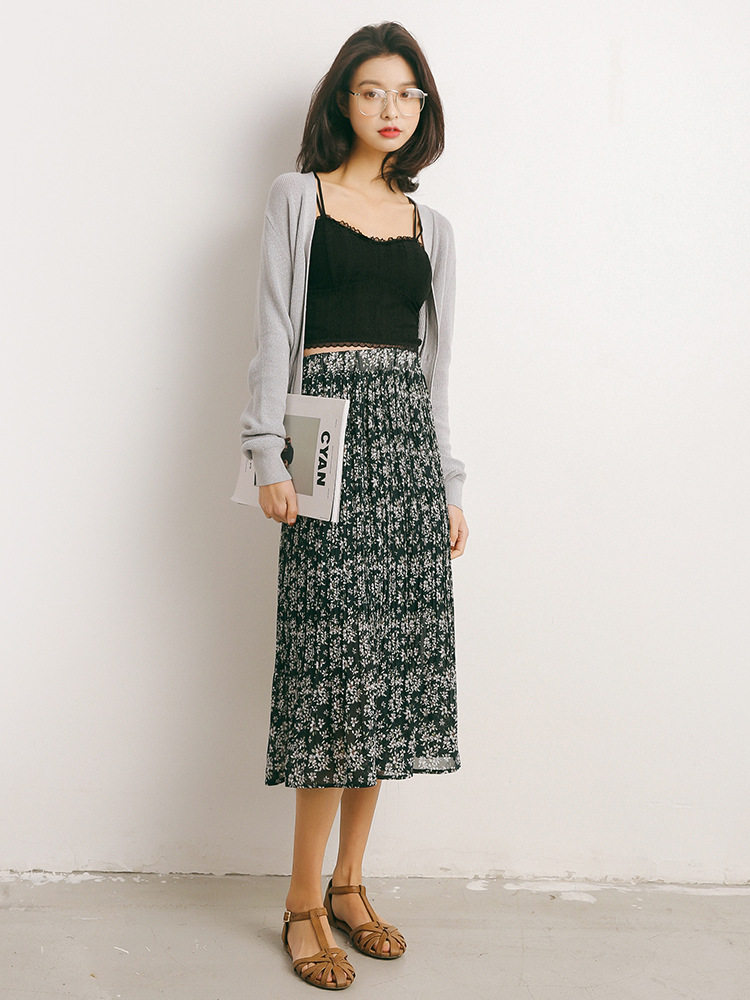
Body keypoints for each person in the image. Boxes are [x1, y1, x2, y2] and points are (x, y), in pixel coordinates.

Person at [239, 21, 469, 991]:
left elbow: (436, 369)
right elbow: (275, 330)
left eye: (408, 93)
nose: (392, 108)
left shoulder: (432, 227)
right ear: (343, 100)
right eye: (373, 90)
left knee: (384, 683)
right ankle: (301, 901)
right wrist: (266, 452)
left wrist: (448, 484)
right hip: (326, 454)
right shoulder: (299, 198)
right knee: (331, 678)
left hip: (407, 460)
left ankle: (349, 884)